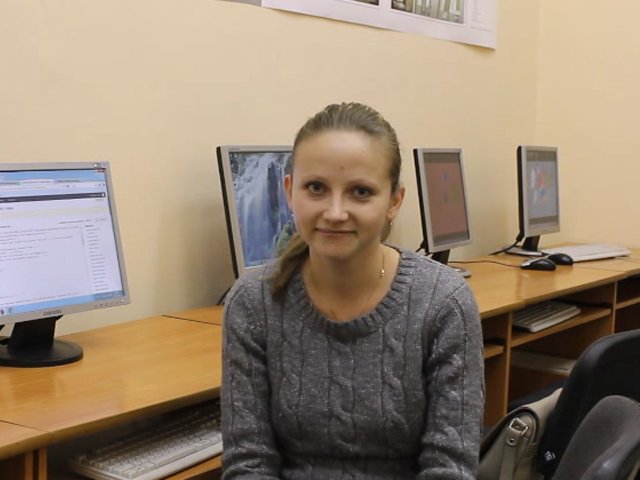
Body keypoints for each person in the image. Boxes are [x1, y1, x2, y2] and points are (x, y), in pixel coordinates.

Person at [221, 102, 485, 479]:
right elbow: (248, 464)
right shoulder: (252, 303)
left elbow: (449, 469)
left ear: (394, 201)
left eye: (360, 192)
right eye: (316, 188)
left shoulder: (443, 303)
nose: (335, 212)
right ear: (289, 191)